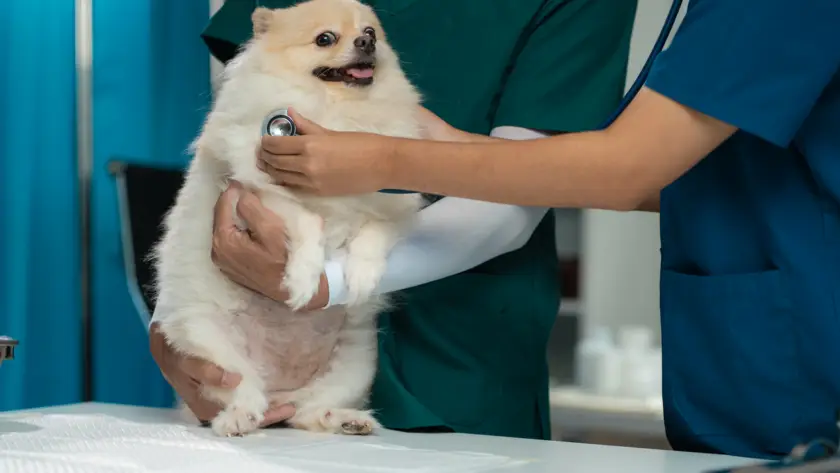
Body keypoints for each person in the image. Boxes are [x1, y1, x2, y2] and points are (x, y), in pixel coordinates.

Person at [227, 0, 840, 460]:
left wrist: (383, 157)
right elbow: (681, 177)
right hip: (751, 365)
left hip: (801, 367)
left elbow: (630, 169)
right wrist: (442, 137)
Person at [150, 0, 638, 439]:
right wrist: (176, 321)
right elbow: (228, 139)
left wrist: (331, 280)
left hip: (458, 360)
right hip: (247, 363)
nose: (359, 45)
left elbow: (524, 191)